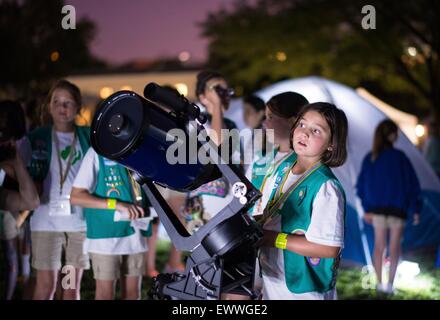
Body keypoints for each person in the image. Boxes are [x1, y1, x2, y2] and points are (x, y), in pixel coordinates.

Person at [257, 102, 348, 300]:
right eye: (302, 124)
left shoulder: (326, 186)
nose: (304, 133)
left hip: (303, 289)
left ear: (331, 144)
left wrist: (272, 238)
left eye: (316, 130)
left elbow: (329, 248)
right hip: (273, 275)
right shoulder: (283, 165)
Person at [19, 80, 91, 300]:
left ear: (78, 107)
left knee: (70, 287)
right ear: (48, 106)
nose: (62, 107)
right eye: (57, 102)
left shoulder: (88, 137)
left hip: (77, 225)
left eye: (68, 102)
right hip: (45, 224)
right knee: (46, 285)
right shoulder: (35, 138)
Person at [70, 148, 152, 300]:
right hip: (105, 238)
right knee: (106, 295)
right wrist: (116, 204)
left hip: (136, 231)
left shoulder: (139, 149)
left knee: (133, 294)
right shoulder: (97, 152)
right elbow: (76, 197)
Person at [356, 119, 421, 294]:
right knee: (394, 248)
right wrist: (415, 208)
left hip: (376, 211)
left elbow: (361, 186)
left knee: (379, 246)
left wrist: (366, 208)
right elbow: (412, 185)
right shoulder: (400, 157)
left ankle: (379, 285)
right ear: (392, 135)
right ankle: (390, 286)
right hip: (397, 210)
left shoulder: (371, 158)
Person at [245, 92, 309, 217]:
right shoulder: (260, 158)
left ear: (293, 121)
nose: (264, 123)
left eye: (270, 117)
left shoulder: (304, 163)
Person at [0, 100, 39, 300]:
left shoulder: (8, 165)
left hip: (11, 213)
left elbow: (32, 201)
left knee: (12, 256)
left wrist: (15, 162)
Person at [242, 95, 266, 172]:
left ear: (260, 113)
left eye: (248, 111)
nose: (245, 115)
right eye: (244, 111)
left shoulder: (264, 134)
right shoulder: (256, 133)